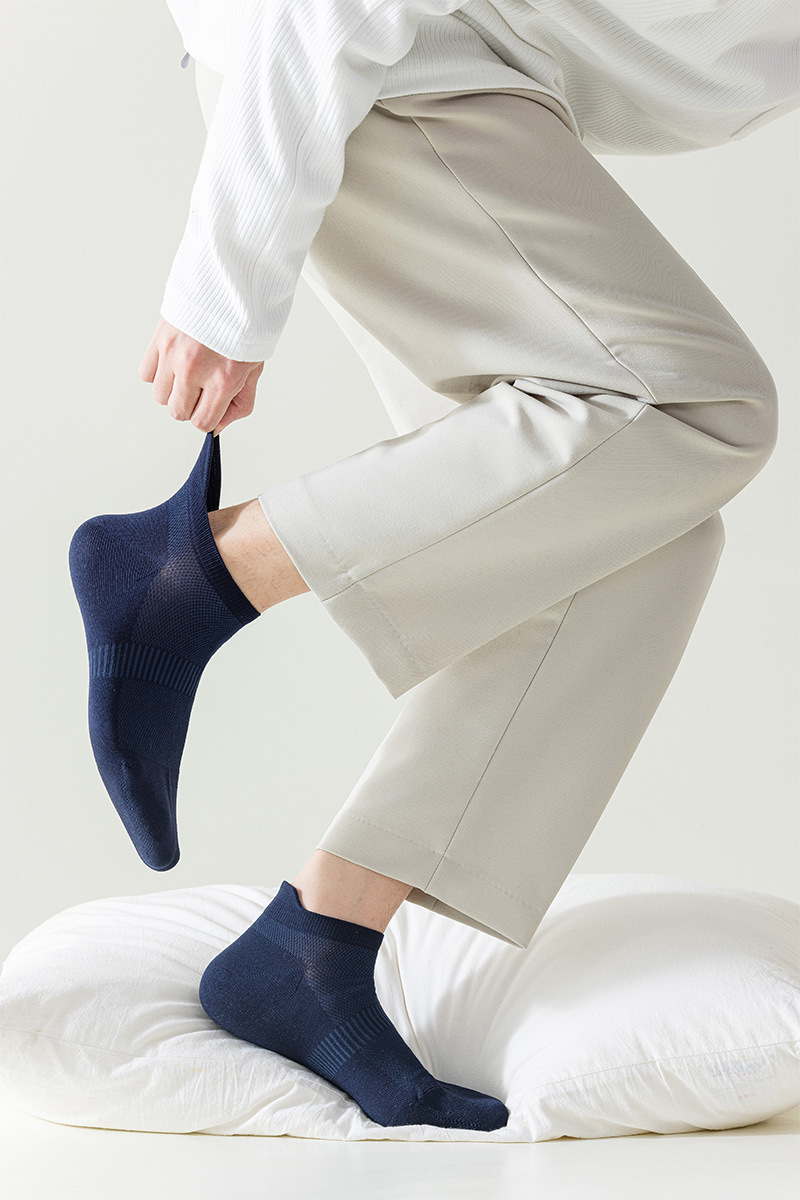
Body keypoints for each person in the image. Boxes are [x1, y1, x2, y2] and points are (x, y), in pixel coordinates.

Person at [68, 0, 799, 1131]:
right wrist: (226, 285)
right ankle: (191, 575)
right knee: (692, 409)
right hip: (386, 63)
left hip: (447, 78)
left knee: (621, 523)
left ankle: (315, 943)